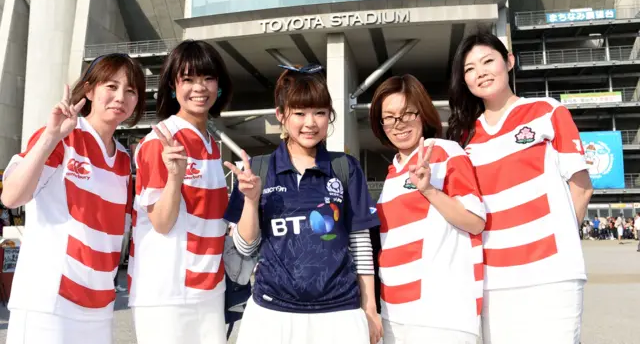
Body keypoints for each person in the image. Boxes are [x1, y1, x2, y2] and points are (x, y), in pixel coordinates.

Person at [447, 30, 594, 344]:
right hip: (492, 280)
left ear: (509, 61)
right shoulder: (464, 138)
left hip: (552, 274)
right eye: (470, 69)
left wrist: (559, 244)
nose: (480, 72)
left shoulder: (547, 112)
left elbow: (581, 187)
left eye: (488, 61)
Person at [223, 64, 382, 344]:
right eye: (299, 113)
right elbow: (245, 248)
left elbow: (359, 242)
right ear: (281, 116)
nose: (310, 123)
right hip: (272, 314)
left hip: (339, 313)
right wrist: (251, 200)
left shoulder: (345, 168)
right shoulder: (258, 170)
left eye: (320, 112)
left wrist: (369, 308)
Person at [0, 53, 146, 344]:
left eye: (131, 91)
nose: (121, 97)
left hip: (99, 306)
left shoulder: (122, 160)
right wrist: (50, 138)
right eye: (112, 86)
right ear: (90, 90)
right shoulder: (63, 136)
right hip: (49, 302)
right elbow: (12, 196)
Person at [127, 40, 232, 344]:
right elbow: (161, 222)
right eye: (188, 79)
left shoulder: (212, 145)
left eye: (207, 78)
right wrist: (175, 177)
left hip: (210, 289)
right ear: (173, 87)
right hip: (166, 293)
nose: (199, 87)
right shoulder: (160, 141)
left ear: (219, 86)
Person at [369, 75, 485, 344]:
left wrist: (429, 190)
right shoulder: (393, 171)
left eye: (408, 113)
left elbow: (474, 221)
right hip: (395, 312)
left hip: (439, 314)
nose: (399, 124)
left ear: (423, 113)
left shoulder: (445, 152)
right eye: (389, 117)